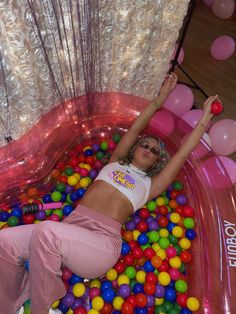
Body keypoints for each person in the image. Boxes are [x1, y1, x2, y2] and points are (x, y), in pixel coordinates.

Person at [0, 72, 221, 314]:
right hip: (71, 229)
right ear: (134, 148)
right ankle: (11, 304)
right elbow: (136, 127)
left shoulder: (150, 185)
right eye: (144, 145)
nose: (148, 149)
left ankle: (41, 308)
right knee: (5, 242)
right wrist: (158, 101)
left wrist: (205, 119)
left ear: (157, 161)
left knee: (46, 232)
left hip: (101, 245)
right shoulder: (115, 162)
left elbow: (180, 156)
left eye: (154, 150)